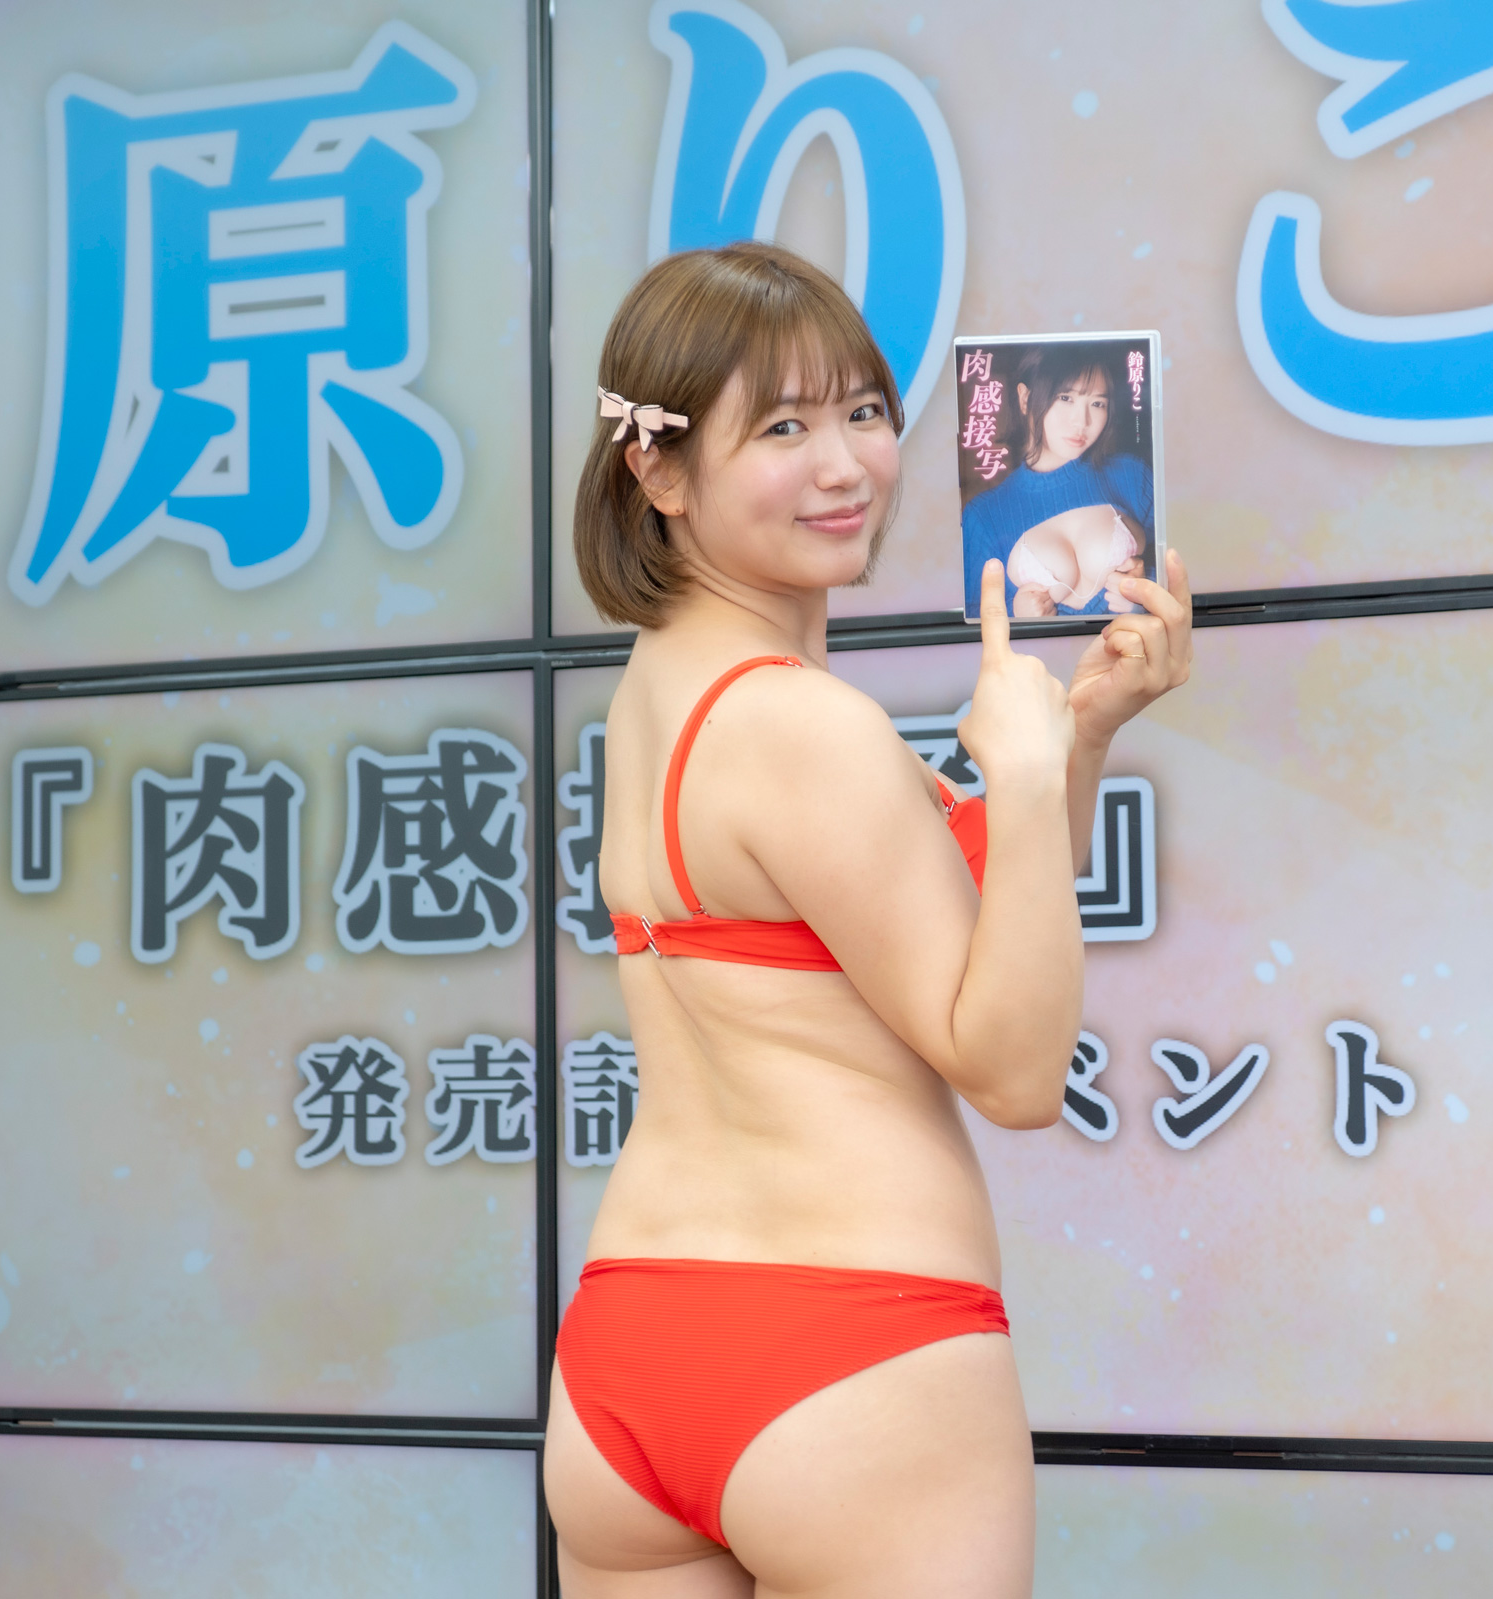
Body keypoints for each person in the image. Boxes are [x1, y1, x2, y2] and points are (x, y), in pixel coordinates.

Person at [545, 240, 1192, 1597]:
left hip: (631, 1352)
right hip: (852, 1352)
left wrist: (1077, 740)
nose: (845, 466)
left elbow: (949, 927)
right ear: (658, 471)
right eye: (782, 428)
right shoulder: (805, 726)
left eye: (862, 412)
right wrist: (1021, 777)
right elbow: (1013, 1069)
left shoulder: (659, 688)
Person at [961, 348, 1155, 619]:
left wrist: (1145, 593)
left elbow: (1184, 572)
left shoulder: (1132, 475)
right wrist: (1014, 615)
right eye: (1065, 398)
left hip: (1132, 645)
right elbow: (971, 620)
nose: (1081, 422)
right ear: (1025, 398)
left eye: (1097, 404)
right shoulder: (984, 515)